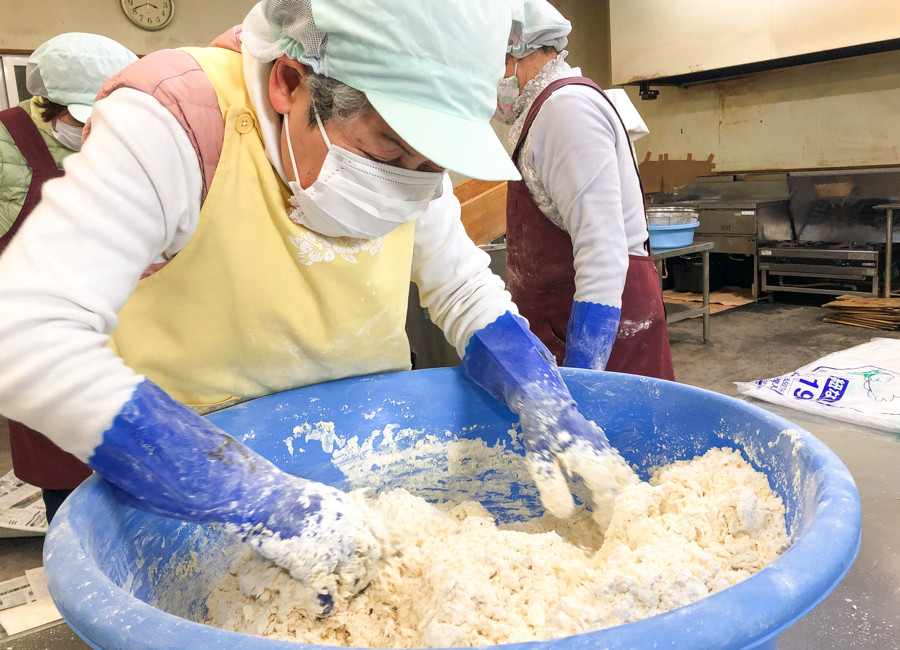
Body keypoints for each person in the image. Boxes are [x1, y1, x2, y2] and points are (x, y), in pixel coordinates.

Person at [0, 0, 630, 616]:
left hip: (369, 469)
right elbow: (25, 329)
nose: (411, 179)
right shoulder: (175, 120)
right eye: (387, 152)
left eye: (431, 164)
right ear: (288, 83)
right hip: (188, 495)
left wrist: (542, 396)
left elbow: (464, 290)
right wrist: (257, 499)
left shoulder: (414, 164)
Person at [496, 0, 675, 380]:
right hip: (557, 320)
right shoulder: (541, 110)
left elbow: (602, 250)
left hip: (602, 329)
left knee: (620, 435)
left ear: (518, 50)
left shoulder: (566, 109)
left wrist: (586, 372)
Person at [0, 33, 137, 523]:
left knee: (131, 470)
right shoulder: (5, 150)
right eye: (83, 118)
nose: (94, 130)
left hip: (121, 326)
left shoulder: (121, 148)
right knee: (67, 479)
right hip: (45, 338)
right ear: (47, 104)